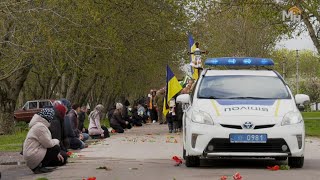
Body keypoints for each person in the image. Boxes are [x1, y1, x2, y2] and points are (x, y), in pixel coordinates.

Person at [23, 108, 67, 174]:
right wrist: (56, 141)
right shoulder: (40, 127)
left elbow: (45, 143)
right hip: (33, 155)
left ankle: (42, 165)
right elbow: (48, 144)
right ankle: (40, 166)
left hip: (36, 152)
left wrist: (57, 153)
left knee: (62, 158)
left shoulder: (40, 125)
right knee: (56, 148)